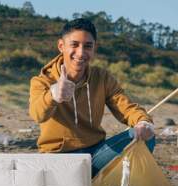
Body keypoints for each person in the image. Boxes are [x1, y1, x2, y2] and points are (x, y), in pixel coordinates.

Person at [29, 18, 155, 177]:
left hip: (96, 155)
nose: (81, 53)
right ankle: (106, 182)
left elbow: (126, 108)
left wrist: (143, 121)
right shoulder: (42, 81)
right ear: (61, 46)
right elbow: (37, 114)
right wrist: (53, 95)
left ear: (94, 48)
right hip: (59, 158)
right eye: (74, 45)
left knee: (145, 136)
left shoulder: (102, 77)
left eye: (88, 46)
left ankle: (119, 184)